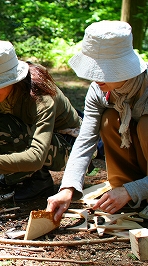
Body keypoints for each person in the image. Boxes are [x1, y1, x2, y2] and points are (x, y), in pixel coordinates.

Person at [0, 40, 82, 201]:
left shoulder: (41, 96)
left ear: (12, 79)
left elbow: (36, 156)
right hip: (32, 136)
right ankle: (15, 178)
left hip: (70, 147)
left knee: (2, 127)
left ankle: (38, 181)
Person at [46, 20, 148, 222]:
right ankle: (128, 194)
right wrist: (68, 187)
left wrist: (133, 190)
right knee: (109, 119)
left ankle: (133, 191)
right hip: (133, 182)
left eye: (104, 71)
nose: (95, 78)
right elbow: (85, 140)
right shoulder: (98, 90)